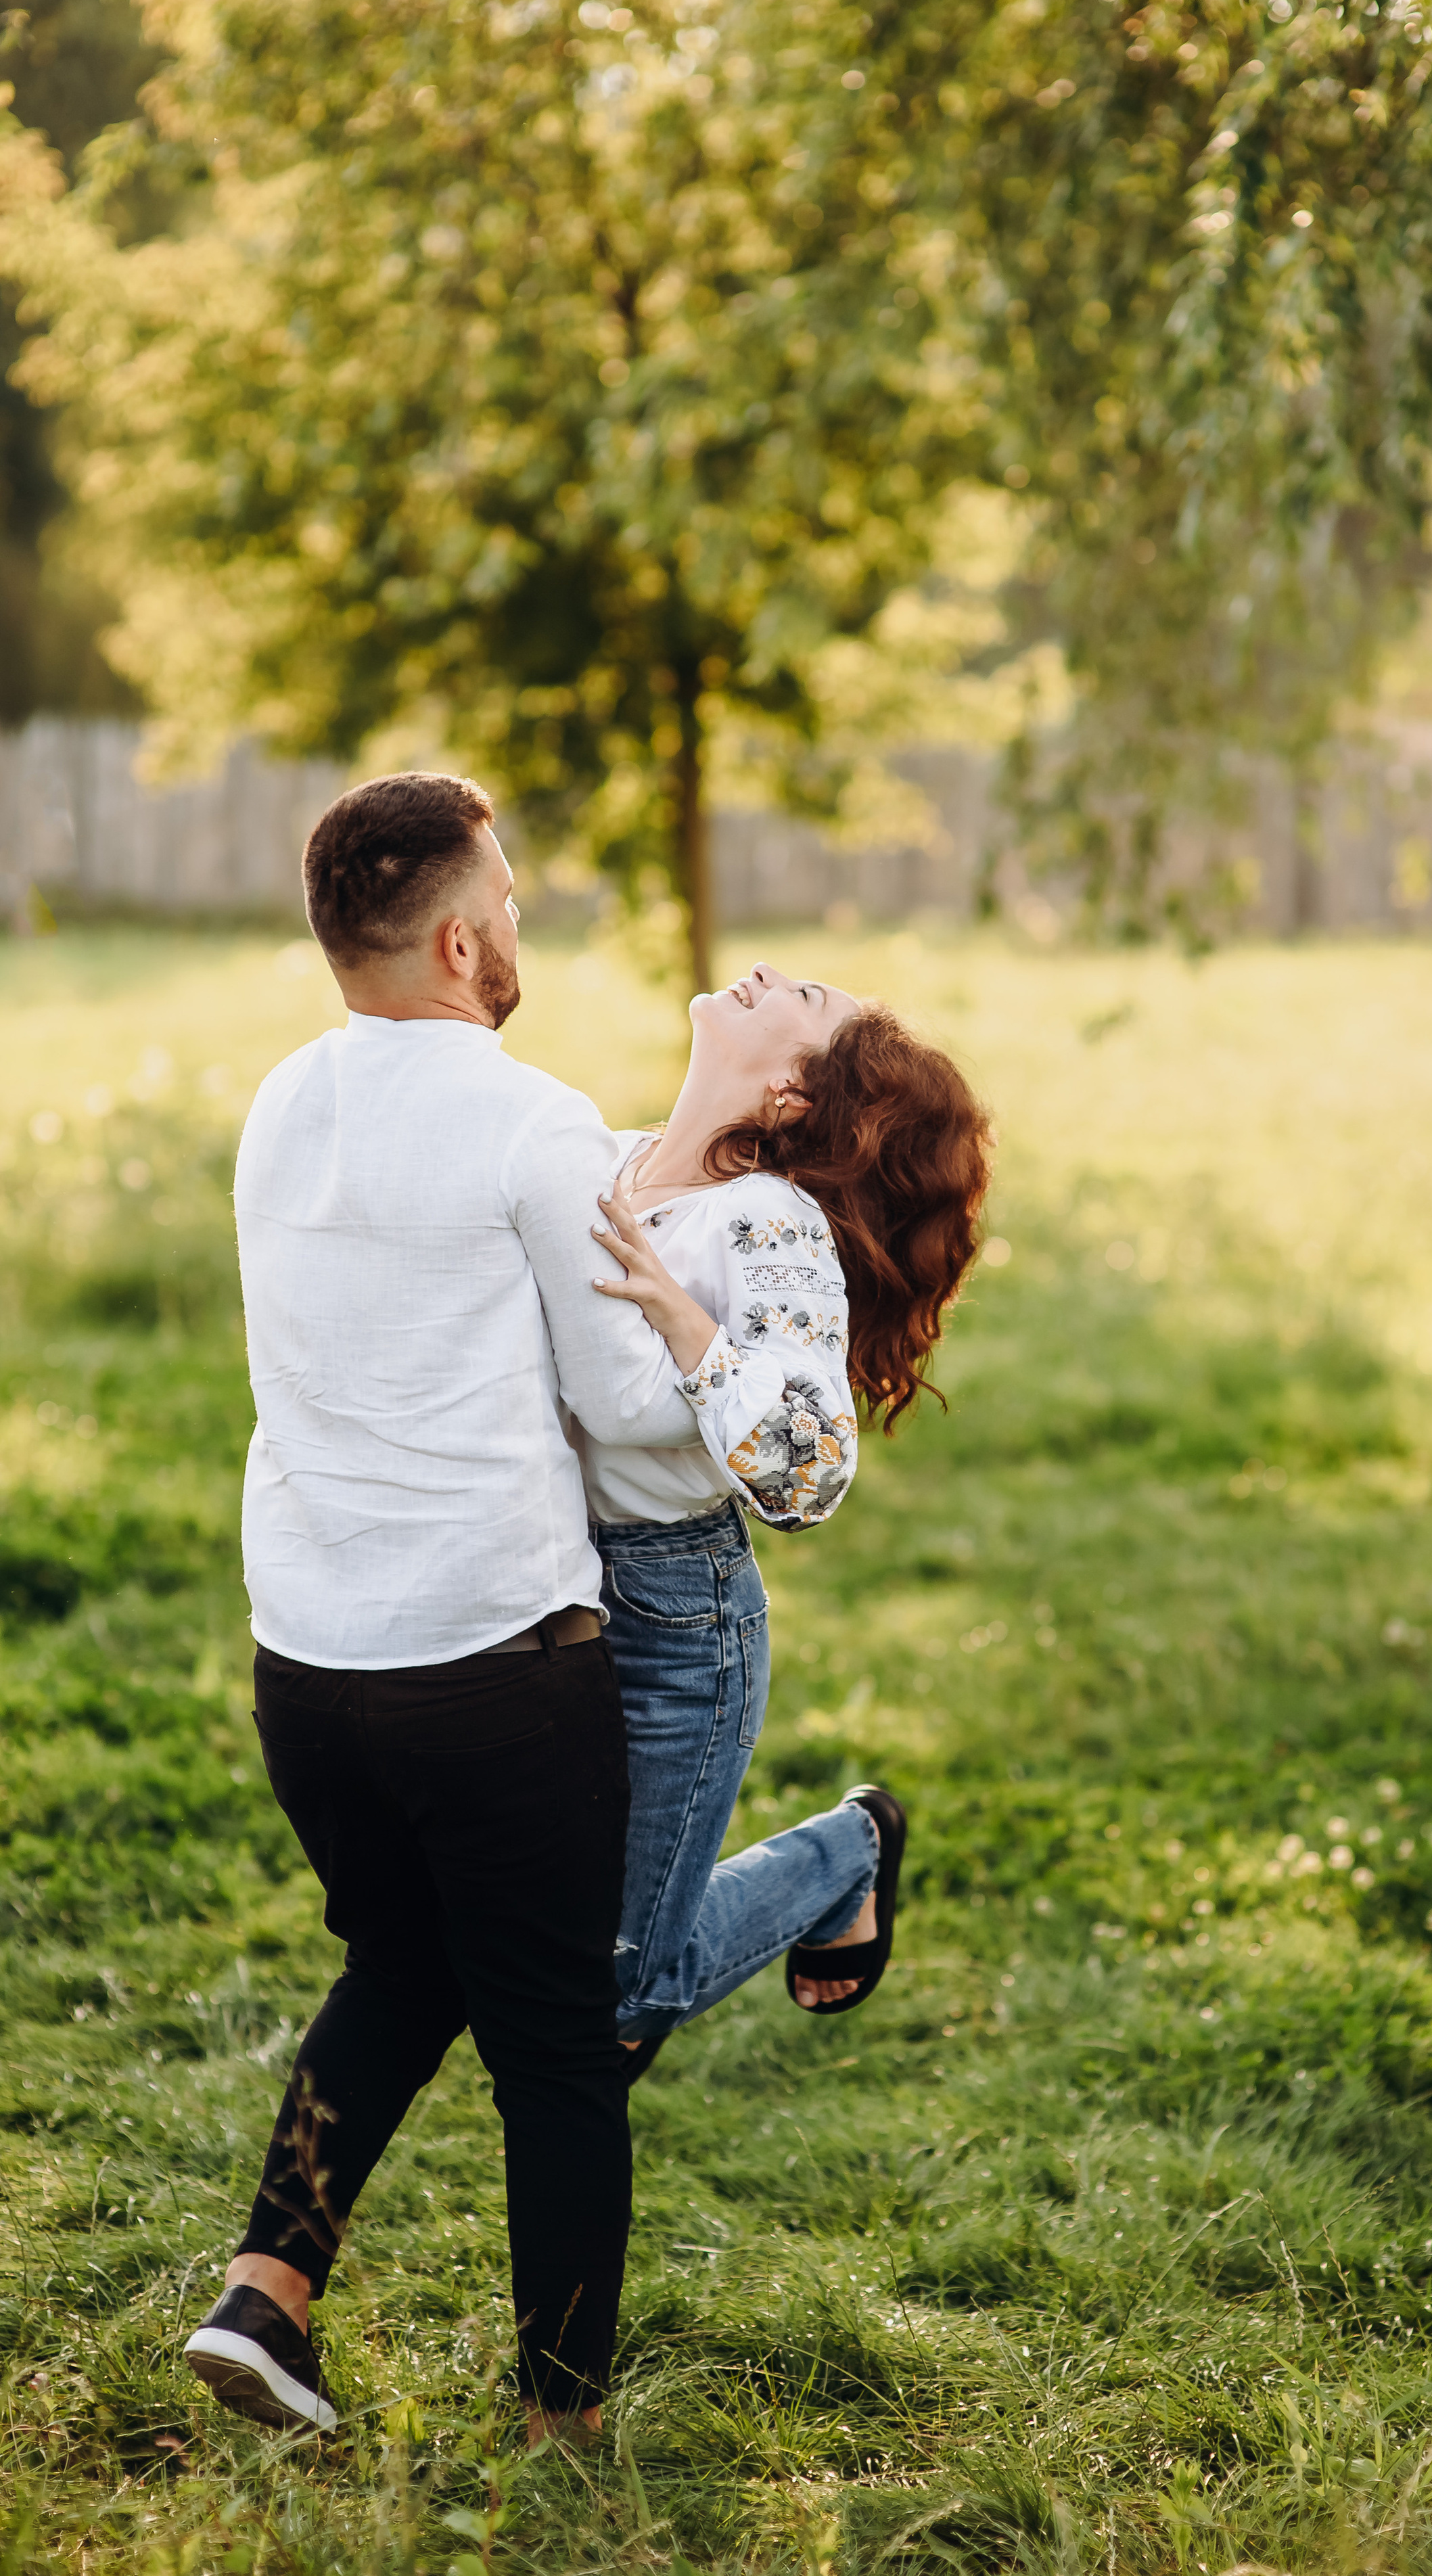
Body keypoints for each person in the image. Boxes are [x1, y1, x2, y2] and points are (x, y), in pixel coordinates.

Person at [181, 771, 702, 2443]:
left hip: (308, 1665)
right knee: (555, 2045)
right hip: (493, 1675)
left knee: (402, 1960)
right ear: (465, 938)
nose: (522, 931)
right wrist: (700, 1326)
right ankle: (559, 2428)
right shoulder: (530, 1118)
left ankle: (267, 2291)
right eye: (518, 907)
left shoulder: (280, 1102)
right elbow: (626, 1405)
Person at [572, 962, 993, 2080]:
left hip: (675, 1621)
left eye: (803, 996)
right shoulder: (605, 1155)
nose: (764, 972)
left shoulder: (767, 1223)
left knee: (619, 1984)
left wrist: (686, 1324)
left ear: (795, 1097)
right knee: (556, 1944)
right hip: (549, 1583)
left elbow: (809, 1472)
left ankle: (849, 1849)